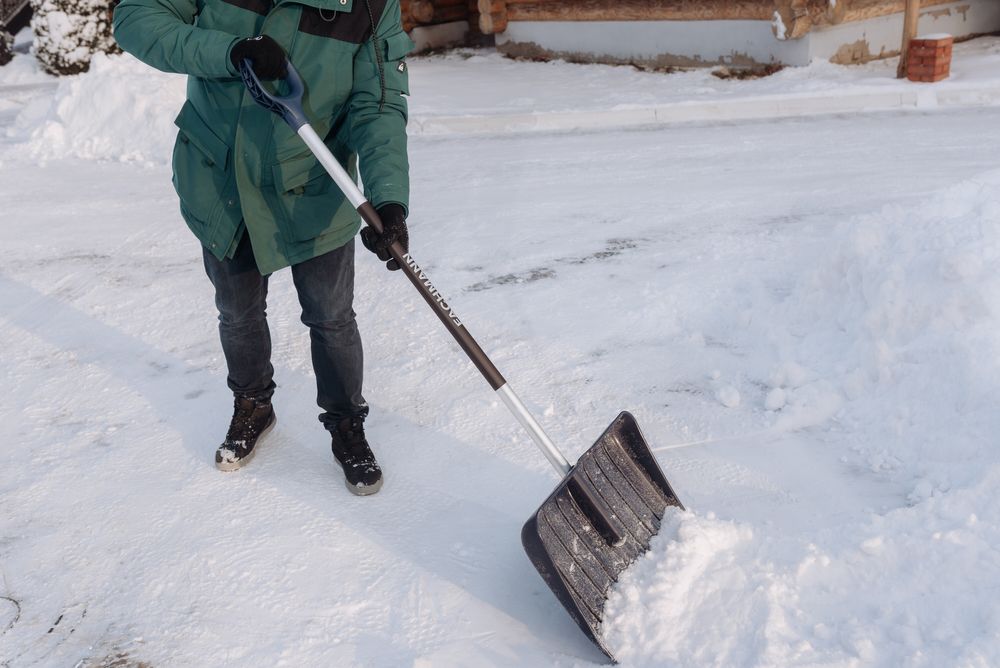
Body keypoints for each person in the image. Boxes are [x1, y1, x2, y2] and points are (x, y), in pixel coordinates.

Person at [113, 0, 414, 495]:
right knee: (238, 313)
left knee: (332, 318)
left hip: (315, 187)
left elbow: (378, 103)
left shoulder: (371, 5)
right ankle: (253, 403)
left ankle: (346, 425)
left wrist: (389, 200)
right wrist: (229, 50)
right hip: (223, 182)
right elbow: (137, 19)